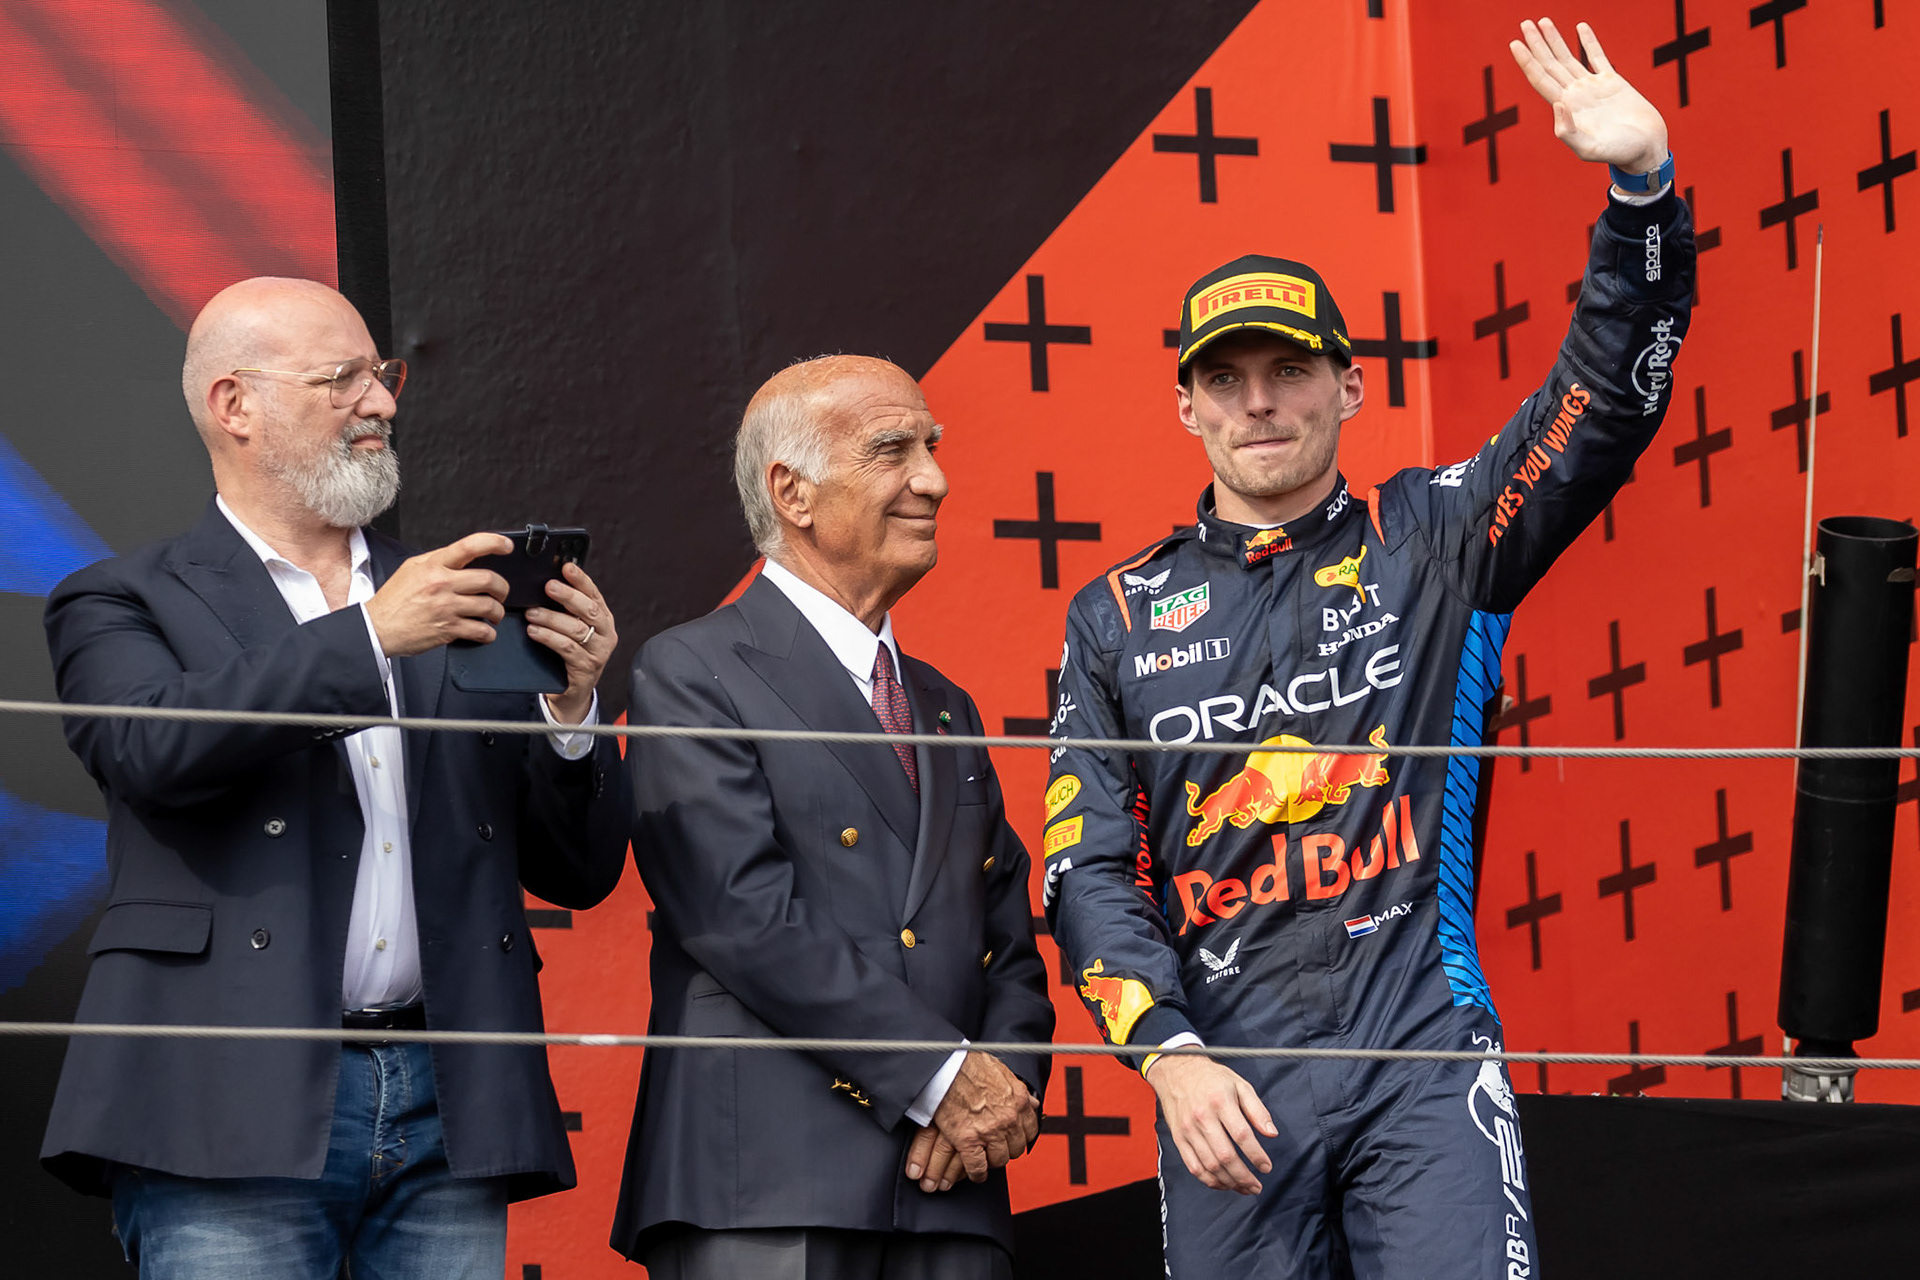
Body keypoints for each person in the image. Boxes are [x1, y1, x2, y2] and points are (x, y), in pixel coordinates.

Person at [1042, 20, 1690, 1278]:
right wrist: (1167, 1052)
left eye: (1290, 370)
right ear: (1185, 405)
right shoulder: (1115, 612)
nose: (1259, 403)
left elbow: (1601, 405)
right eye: (1224, 380)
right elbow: (1088, 868)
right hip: (1229, 1088)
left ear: (1351, 384)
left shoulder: (1436, 533)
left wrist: (1641, 196)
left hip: (1423, 1056)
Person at [39, 277, 631, 1278]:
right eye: (342, 379)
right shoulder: (119, 597)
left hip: (448, 1103)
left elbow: (576, 869)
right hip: (222, 1100)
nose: (384, 402)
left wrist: (572, 711)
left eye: (383, 374)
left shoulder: (451, 600)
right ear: (236, 405)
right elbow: (152, 750)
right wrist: (369, 638)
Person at [611, 355, 1055, 1279]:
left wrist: (1001, 1091)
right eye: (893, 450)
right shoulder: (696, 671)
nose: (933, 478)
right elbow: (740, 914)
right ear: (793, 492)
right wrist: (941, 1079)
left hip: (951, 1189)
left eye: (932, 447)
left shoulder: (944, 705)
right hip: (768, 1187)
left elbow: (1007, 939)